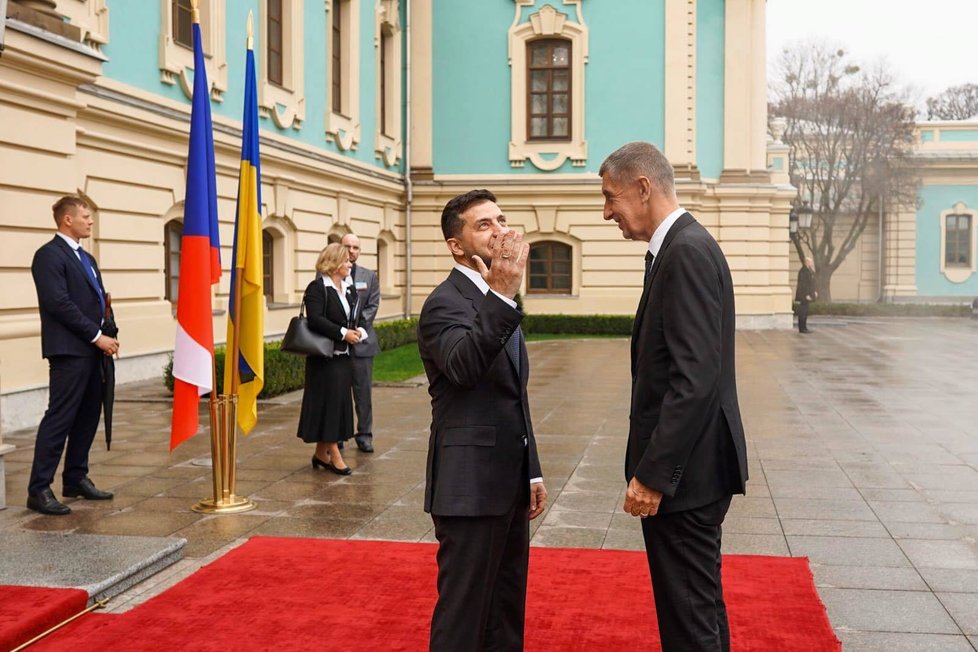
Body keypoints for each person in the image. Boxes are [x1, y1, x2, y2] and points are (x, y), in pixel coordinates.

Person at [599, 142, 748, 652]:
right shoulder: (680, 247)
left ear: (643, 188)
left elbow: (694, 379)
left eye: (610, 197)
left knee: (689, 623)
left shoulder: (684, 251)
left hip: (687, 479)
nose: (606, 213)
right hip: (696, 472)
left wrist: (653, 475)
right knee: (697, 611)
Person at [418, 189, 547, 651]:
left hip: (509, 480)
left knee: (506, 606)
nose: (500, 230)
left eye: (502, 219)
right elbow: (465, 368)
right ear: (457, 245)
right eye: (484, 225)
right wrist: (502, 293)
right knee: (465, 613)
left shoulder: (500, 300)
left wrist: (530, 469)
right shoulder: (444, 303)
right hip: (468, 487)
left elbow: (513, 390)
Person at [27, 196, 119, 516]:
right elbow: (59, 304)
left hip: (94, 352)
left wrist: (111, 330)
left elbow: (99, 300)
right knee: (61, 418)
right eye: (85, 216)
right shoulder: (48, 256)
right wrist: (97, 337)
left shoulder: (87, 259)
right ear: (67, 220)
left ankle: (75, 479)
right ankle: (38, 489)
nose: (90, 221)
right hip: (69, 351)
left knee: (88, 416)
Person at [296, 243, 367, 476]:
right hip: (323, 359)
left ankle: (320, 454)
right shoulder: (317, 288)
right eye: (346, 260)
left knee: (337, 405)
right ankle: (334, 453)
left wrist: (357, 332)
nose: (350, 263)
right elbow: (315, 319)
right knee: (329, 406)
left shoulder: (348, 289)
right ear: (334, 263)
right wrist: (342, 333)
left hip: (343, 357)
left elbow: (354, 318)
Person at [341, 233, 381, 453]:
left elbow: (372, 305)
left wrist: (358, 330)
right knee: (338, 393)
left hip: (362, 343)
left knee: (363, 393)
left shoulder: (369, 275)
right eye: (347, 246)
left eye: (355, 247)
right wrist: (342, 331)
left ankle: (364, 435)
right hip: (336, 343)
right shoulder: (328, 273)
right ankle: (338, 436)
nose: (351, 251)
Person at [795, 256, 817, 334]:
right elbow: (803, 284)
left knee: (805, 311)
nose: (811, 263)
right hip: (804, 295)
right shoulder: (803, 271)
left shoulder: (809, 270)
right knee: (803, 312)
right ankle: (802, 328)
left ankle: (804, 327)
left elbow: (812, 282)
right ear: (806, 262)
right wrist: (806, 294)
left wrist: (814, 291)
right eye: (810, 262)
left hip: (808, 294)